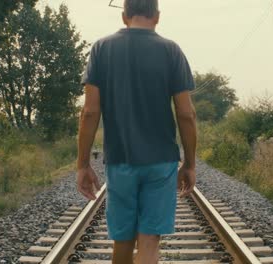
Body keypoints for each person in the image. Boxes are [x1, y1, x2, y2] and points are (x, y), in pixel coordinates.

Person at [76, 0, 197, 263]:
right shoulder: (171, 50)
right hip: (161, 161)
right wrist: (189, 163)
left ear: (123, 16)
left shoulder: (101, 49)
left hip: (120, 159)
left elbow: (89, 112)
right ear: (157, 16)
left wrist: (83, 163)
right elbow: (186, 114)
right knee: (150, 240)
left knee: (123, 239)